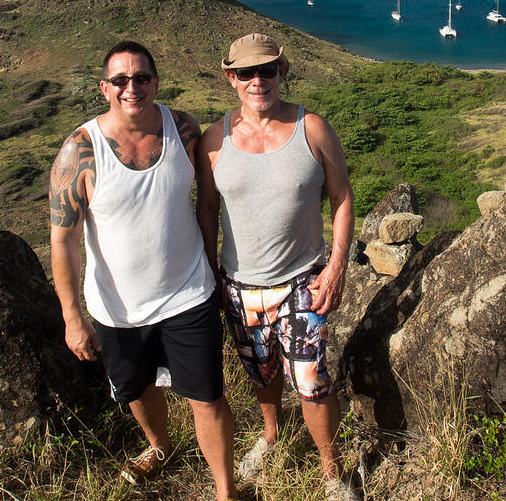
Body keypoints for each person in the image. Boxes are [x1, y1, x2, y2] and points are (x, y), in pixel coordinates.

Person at [49, 40, 237, 501]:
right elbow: (63, 240)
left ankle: (225, 491)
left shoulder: (183, 129)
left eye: (141, 78)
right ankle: (159, 446)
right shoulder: (80, 152)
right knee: (136, 389)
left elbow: (213, 198)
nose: (132, 87)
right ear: (104, 88)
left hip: (188, 291)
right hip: (117, 307)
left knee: (207, 397)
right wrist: (72, 317)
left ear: (156, 82)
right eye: (120, 80)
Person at [197, 33, 359, 501]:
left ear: (283, 72)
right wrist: (211, 268)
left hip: (301, 282)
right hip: (239, 285)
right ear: (230, 78)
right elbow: (206, 209)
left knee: (310, 380)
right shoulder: (214, 139)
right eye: (245, 72)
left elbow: (342, 197)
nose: (257, 81)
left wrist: (336, 266)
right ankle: (271, 434)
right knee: (260, 374)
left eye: (267, 70)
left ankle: (332, 473)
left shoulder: (313, 129)